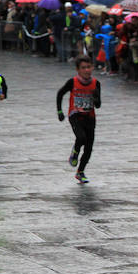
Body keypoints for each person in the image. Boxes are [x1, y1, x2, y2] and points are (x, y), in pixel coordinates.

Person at [57, 55, 101, 183]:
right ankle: (75, 151)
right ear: (78, 70)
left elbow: (98, 105)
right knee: (81, 138)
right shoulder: (73, 82)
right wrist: (59, 111)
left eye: (89, 67)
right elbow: (60, 93)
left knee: (89, 147)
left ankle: (80, 171)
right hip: (75, 115)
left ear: (92, 67)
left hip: (90, 117)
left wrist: (96, 97)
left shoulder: (95, 83)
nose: (87, 70)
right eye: (83, 68)